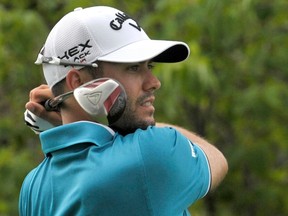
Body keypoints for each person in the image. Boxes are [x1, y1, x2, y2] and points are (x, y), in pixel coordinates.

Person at [19, 6, 228, 216]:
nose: (154, 82)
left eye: (150, 67)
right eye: (133, 68)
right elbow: (217, 159)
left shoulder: (33, 187)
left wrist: (67, 119)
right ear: (78, 82)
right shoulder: (151, 151)